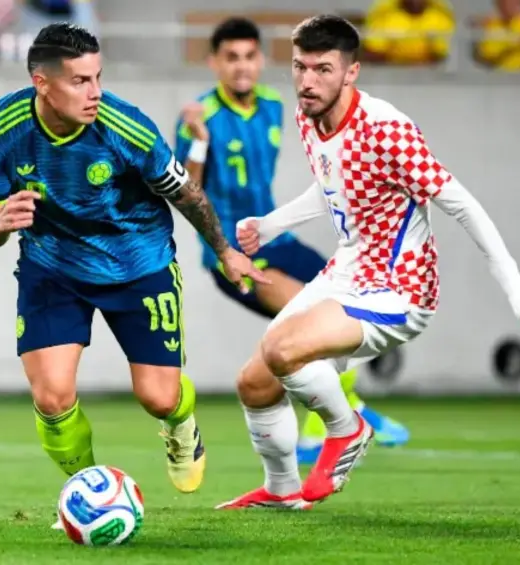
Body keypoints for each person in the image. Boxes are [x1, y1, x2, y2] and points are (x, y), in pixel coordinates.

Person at [216, 14, 520, 510]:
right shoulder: (310, 113)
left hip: (400, 287)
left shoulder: (386, 128)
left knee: (284, 350)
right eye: (300, 67)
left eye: (323, 69)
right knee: (254, 380)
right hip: (347, 272)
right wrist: (272, 225)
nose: (308, 82)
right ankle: (283, 491)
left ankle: (348, 429)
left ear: (352, 72)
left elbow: (460, 203)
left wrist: (517, 287)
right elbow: (332, 185)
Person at [0, 22, 267, 527]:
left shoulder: (125, 127)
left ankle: (180, 424)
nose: (96, 92)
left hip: (138, 262)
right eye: (81, 81)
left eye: (98, 77)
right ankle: (84, 493)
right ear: (42, 83)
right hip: (53, 267)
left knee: (159, 396)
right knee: (52, 397)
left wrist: (225, 250)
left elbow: (186, 193)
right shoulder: (1, 131)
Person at [174, 16, 409, 465]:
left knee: (354, 300)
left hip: (275, 240)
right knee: (311, 327)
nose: (241, 67)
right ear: (214, 63)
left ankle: (341, 415)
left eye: (248, 56)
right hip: (234, 255)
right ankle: (326, 430)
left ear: (261, 60)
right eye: (231, 58)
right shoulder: (198, 116)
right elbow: (188, 191)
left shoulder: (275, 106)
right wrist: (200, 142)